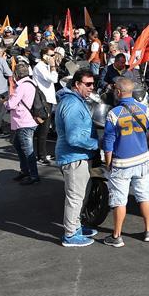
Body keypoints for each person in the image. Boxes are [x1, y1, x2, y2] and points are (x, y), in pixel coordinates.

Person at [101, 78, 149, 247]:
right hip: (142, 160)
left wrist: (108, 164)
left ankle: (117, 236)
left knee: (119, 200)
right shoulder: (144, 109)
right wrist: (147, 141)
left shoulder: (114, 114)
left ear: (119, 92)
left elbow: (108, 143)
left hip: (121, 164)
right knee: (145, 196)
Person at [54, 68, 101, 247]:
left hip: (76, 156)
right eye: (88, 84)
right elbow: (74, 138)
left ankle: (76, 226)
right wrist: (96, 144)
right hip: (73, 157)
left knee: (79, 195)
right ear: (77, 85)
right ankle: (70, 234)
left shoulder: (75, 101)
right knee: (75, 197)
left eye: (93, 84)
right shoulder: (72, 104)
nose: (91, 88)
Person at [5, 62, 40, 185]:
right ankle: (25, 170)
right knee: (18, 145)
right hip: (28, 120)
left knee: (27, 150)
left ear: (16, 74)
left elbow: (11, 104)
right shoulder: (31, 83)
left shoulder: (22, 86)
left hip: (24, 121)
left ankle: (33, 175)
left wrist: (5, 103)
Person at [32, 43, 60, 164]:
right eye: (51, 55)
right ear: (45, 56)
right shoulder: (40, 67)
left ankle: (41, 154)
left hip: (48, 99)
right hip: (43, 101)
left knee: (45, 129)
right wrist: (53, 67)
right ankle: (41, 156)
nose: (53, 57)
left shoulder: (45, 66)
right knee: (43, 129)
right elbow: (53, 79)